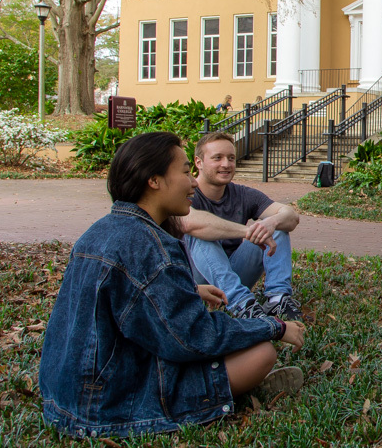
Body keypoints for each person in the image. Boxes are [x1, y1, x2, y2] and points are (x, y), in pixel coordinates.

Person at [40, 132, 306, 438]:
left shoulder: (99, 231)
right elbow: (195, 337)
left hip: (62, 394)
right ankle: (234, 391)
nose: (193, 182)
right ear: (154, 181)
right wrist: (274, 327)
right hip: (107, 402)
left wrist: (191, 291)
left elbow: (126, 298)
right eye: (184, 172)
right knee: (262, 354)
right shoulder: (154, 246)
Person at [181, 132, 302, 321]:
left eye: (231, 158)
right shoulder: (187, 193)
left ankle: (277, 300)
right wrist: (247, 231)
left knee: (276, 226)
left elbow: (291, 216)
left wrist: (271, 223)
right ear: (198, 162)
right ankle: (242, 304)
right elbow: (189, 222)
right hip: (196, 283)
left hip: (234, 276)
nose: (226, 164)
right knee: (199, 232)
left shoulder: (243, 194)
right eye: (217, 158)